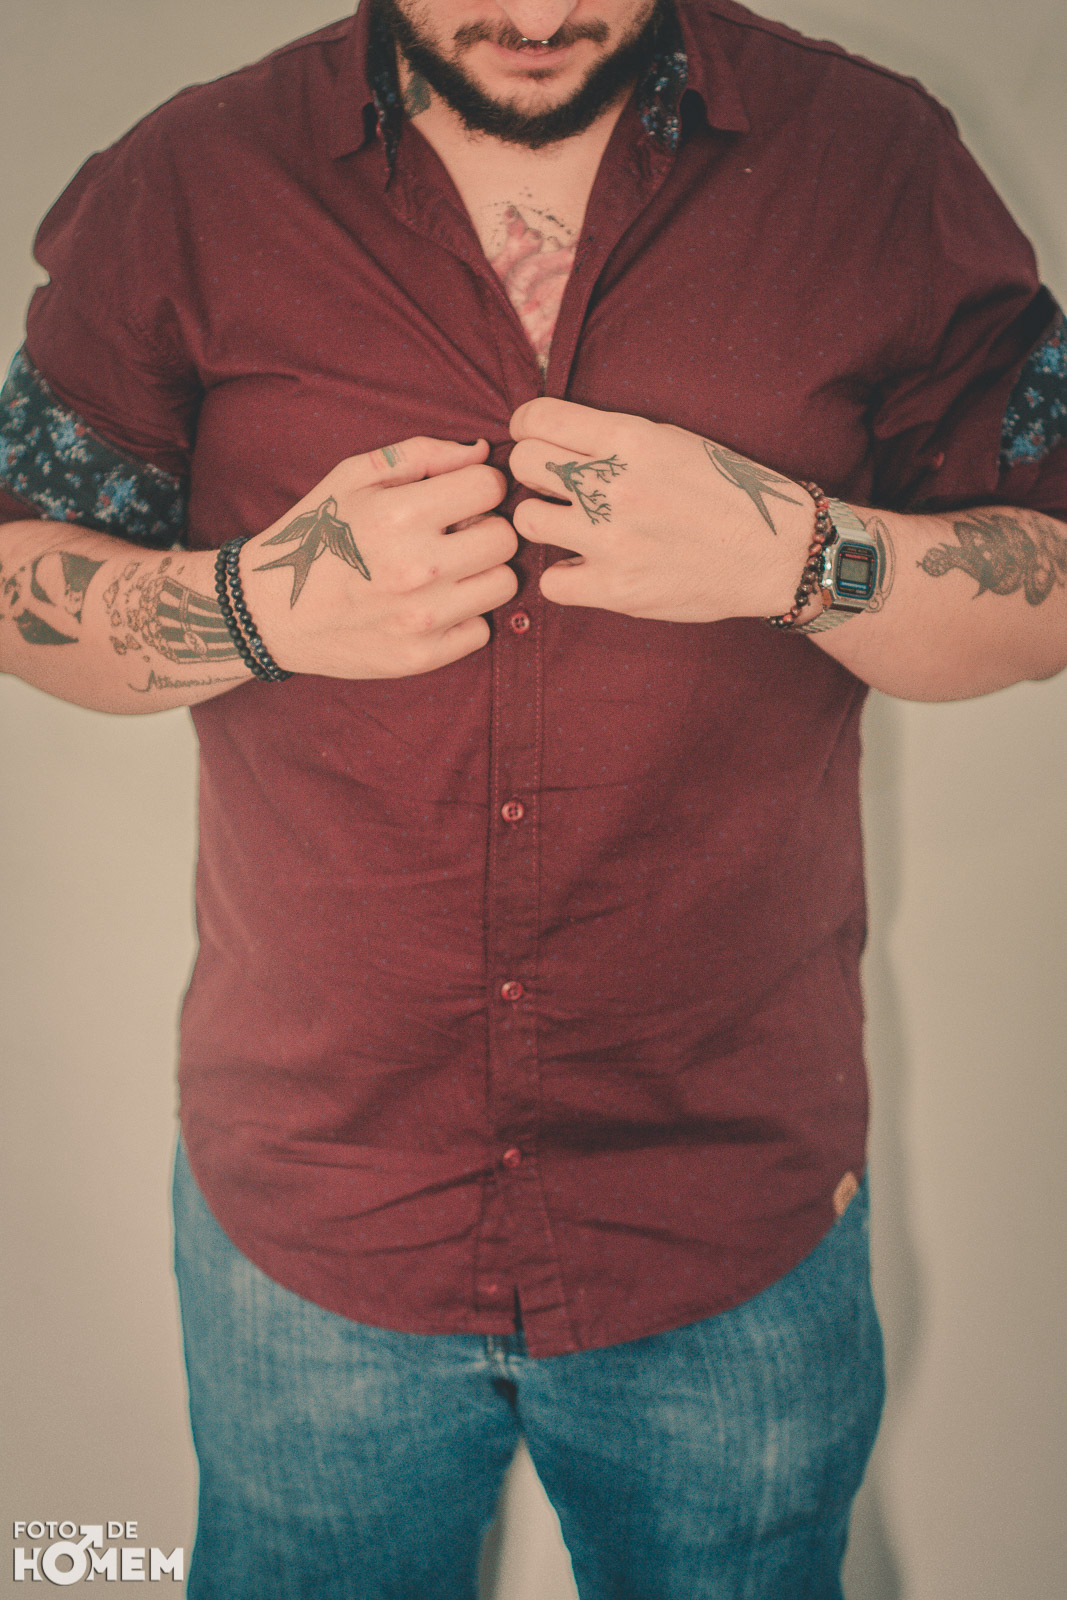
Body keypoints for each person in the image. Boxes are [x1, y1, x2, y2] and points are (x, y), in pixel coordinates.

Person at [1, 0, 1064, 1594]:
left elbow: (1053, 571)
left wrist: (799, 556)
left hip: (726, 1208)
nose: (538, 14)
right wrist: (249, 609)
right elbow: (16, 563)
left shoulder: (873, 162)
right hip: (316, 1204)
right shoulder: (192, 182)